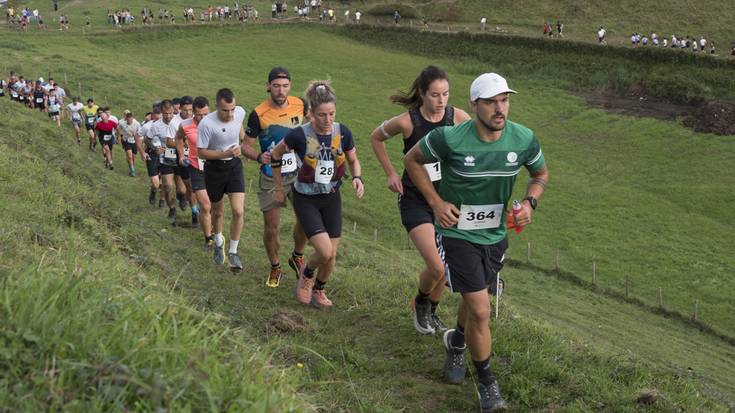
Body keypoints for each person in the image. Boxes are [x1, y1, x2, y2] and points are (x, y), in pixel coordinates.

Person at [404, 73, 548, 413]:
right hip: (458, 234)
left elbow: (539, 175)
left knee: (475, 300)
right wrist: (436, 203)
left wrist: (529, 203)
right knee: (482, 310)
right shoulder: (449, 138)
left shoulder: (523, 138)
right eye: (491, 102)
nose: (500, 109)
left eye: (504, 101)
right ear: (474, 106)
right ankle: (487, 384)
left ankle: (456, 341)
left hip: (496, 234)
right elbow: (412, 161)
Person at [371, 66, 470, 334]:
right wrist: (391, 173)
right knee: (436, 266)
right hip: (415, 200)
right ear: (423, 94)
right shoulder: (407, 122)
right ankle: (420, 303)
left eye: (446, 94)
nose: (441, 101)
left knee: (445, 267)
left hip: (446, 201)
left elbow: (475, 145)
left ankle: (432, 313)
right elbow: (376, 138)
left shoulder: (458, 117)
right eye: (435, 95)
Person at [271, 80, 364, 308]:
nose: (328, 120)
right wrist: (278, 187)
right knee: (323, 251)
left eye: (331, 114)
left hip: (331, 197)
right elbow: (276, 154)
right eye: (322, 115)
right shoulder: (299, 135)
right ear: (311, 113)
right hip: (306, 198)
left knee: (331, 255)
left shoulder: (343, 132)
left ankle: (319, 290)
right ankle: (306, 274)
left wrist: (357, 178)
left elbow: (353, 160)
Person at [243, 67, 309, 288]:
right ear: (268, 86)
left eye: (285, 86)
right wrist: (259, 156)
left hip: (300, 173)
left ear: (290, 86)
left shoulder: (300, 104)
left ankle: (297, 256)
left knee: (306, 221)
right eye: (276, 86)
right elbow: (246, 146)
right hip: (272, 176)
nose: (281, 91)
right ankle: (275, 266)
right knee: (271, 228)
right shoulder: (258, 114)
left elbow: (311, 126)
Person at [197, 88, 247, 272]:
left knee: (238, 211)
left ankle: (233, 252)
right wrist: (224, 153)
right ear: (217, 106)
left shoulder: (239, 112)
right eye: (225, 110)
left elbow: (239, 127)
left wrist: (243, 145)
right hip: (214, 170)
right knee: (217, 212)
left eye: (232, 109)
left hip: (234, 166)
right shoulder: (207, 124)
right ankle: (218, 241)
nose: (230, 114)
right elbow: (200, 152)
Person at [177, 96, 213, 247]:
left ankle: (216, 233)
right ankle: (208, 239)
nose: (203, 117)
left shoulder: (216, 123)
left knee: (215, 207)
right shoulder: (185, 125)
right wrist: (181, 155)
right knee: (205, 206)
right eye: (199, 115)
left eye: (206, 114)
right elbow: (178, 138)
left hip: (215, 168)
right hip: (196, 167)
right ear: (193, 113)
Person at [146, 100, 180, 225]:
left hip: (180, 158)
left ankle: (182, 198)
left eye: (170, 113)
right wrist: (155, 149)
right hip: (166, 160)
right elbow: (147, 139)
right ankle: (172, 209)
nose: (168, 116)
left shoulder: (179, 121)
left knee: (182, 189)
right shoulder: (156, 126)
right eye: (165, 114)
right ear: (161, 112)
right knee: (168, 186)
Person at [140, 107, 164, 207]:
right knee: (156, 183)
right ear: (152, 116)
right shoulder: (147, 127)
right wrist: (142, 152)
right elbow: (139, 138)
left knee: (164, 181)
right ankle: (153, 191)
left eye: (160, 118)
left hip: (166, 154)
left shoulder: (168, 125)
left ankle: (162, 199)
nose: (158, 121)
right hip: (152, 155)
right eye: (156, 118)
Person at [117, 110, 142, 176]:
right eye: (128, 120)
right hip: (126, 141)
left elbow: (140, 132)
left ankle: (131, 168)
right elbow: (118, 129)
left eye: (130, 120)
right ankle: (133, 171)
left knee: (133, 157)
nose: (129, 122)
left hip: (134, 141)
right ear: (126, 119)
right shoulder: (122, 123)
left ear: (132, 118)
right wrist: (119, 137)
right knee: (130, 156)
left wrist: (135, 135)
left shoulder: (137, 123)